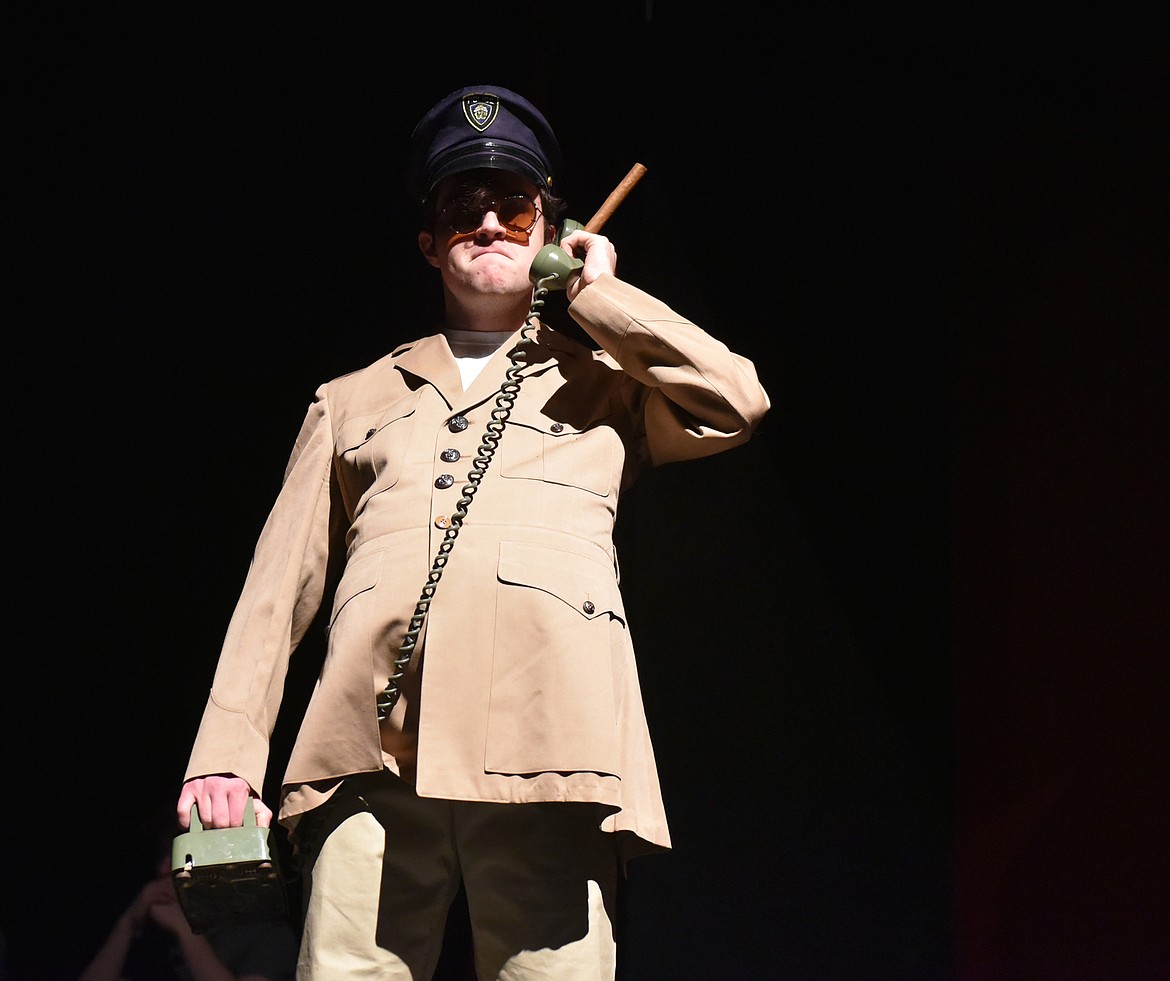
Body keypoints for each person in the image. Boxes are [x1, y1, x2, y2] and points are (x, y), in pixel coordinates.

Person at [176, 84, 770, 978]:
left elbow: (736, 402)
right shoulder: (350, 400)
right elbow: (274, 593)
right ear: (430, 241)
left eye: (514, 207)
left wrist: (601, 297)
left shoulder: (609, 384)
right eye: (463, 208)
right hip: (367, 755)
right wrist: (224, 755)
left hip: (551, 748)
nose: (489, 223)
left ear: (549, 231)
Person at [78, 812, 299, 981]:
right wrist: (127, 924)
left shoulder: (265, 935)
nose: (165, 870)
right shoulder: (152, 934)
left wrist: (186, 932)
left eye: (177, 857)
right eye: (163, 857)